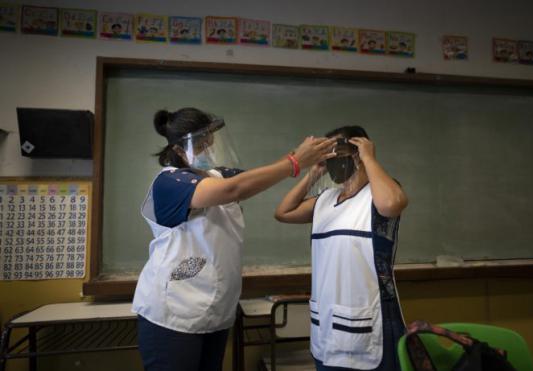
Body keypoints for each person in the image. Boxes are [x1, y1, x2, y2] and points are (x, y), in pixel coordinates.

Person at [132, 107, 335, 371]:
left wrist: (313, 171)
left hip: (215, 312)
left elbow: (252, 181)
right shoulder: (169, 183)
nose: (209, 148)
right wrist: (295, 161)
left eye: (210, 141)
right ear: (180, 151)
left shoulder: (220, 175)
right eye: (201, 144)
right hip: (172, 315)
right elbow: (233, 189)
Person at [275, 125, 408, 371]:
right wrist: (313, 173)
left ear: (357, 152)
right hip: (326, 320)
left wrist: (369, 157)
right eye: (329, 154)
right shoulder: (326, 199)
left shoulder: (378, 193)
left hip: (369, 319)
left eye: (338, 151)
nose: (334, 159)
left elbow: (391, 204)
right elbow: (283, 212)